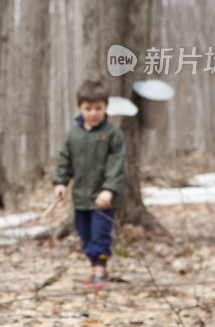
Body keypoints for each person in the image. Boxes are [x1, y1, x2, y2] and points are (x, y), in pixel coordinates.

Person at [51, 79, 126, 290]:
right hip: (81, 197)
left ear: (106, 107)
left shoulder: (112, 134)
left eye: (98, 108)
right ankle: (94, 267)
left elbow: (117, 165)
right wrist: (60, 183)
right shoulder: (74, 134)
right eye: (88, 108)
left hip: (103, 199)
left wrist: (109, 190)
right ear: (79, 108)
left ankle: (100, 270)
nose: (93, 113)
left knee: (100, 233)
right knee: (85, 234)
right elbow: (65, 161)